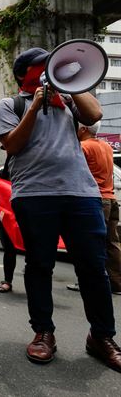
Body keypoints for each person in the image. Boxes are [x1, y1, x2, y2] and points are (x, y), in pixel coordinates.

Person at [0, 47, 121, 371]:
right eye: (40, 66)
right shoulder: (10, 105)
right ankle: (43, 333)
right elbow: (13, 144)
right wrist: (35, 107)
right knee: (39, 265)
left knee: (93, 267)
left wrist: (72, 88)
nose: (48, 69)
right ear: (23, 75)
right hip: (34, 195)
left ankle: (102, 337)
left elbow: (93, 116)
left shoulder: (68, 99)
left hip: (81, 194)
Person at [65, 122, 121, 295]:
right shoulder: (106, 147)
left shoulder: (83, 147)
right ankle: (117, 283)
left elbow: (76, 172)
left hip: (94, 199)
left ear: (83, 129)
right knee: (112, 242)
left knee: (90, 243)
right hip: (111, 199)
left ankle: (91, 281)